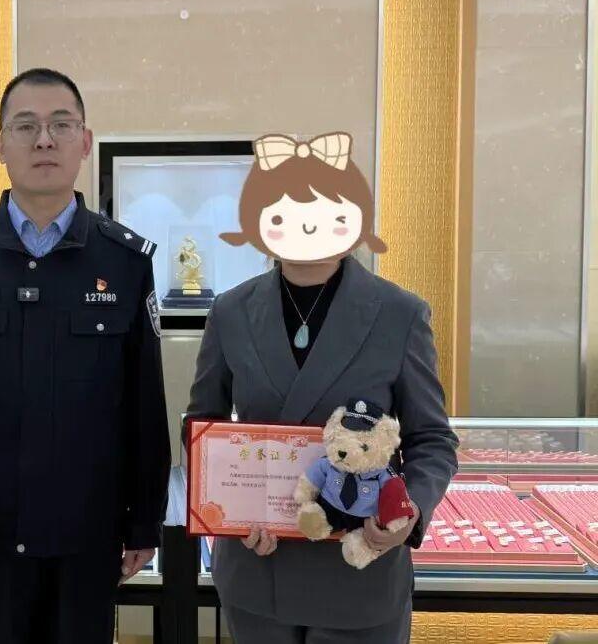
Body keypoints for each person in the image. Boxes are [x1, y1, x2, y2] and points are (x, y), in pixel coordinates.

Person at [0, 68, 171, 643]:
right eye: (25, 126)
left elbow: (145, 405)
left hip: (91, 528)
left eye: (61, 125)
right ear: (0, 145)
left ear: (86, 141)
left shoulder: (125, 262)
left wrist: (145, 521)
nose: (44, 140)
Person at [188, 133, 458, 643]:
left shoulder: (400, 314)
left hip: (360, 570)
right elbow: (204, 425)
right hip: (257, 568)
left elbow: (432, 440)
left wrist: (409, 511)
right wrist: (229, 512)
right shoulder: (230, 311)